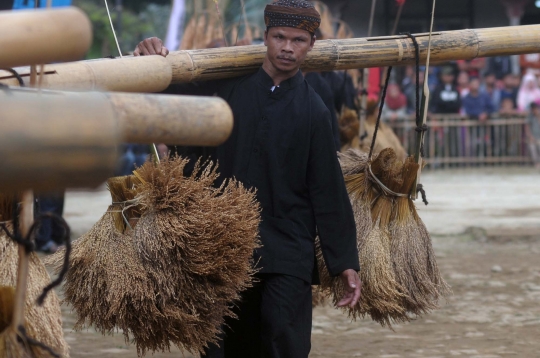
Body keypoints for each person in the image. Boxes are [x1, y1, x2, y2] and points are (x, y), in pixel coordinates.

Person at [134, 1, 361, 357]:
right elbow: (168, 96)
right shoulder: (225, 88)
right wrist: (150, 57)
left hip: (287, 247)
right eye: (280, 37)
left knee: (282, 336)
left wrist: (344, 262)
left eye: (299, 40)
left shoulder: (314, 111)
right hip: (223, 244)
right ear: (266, 38)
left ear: (311, 45)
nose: (288, 47)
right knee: (224, 344)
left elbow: (327, 190)